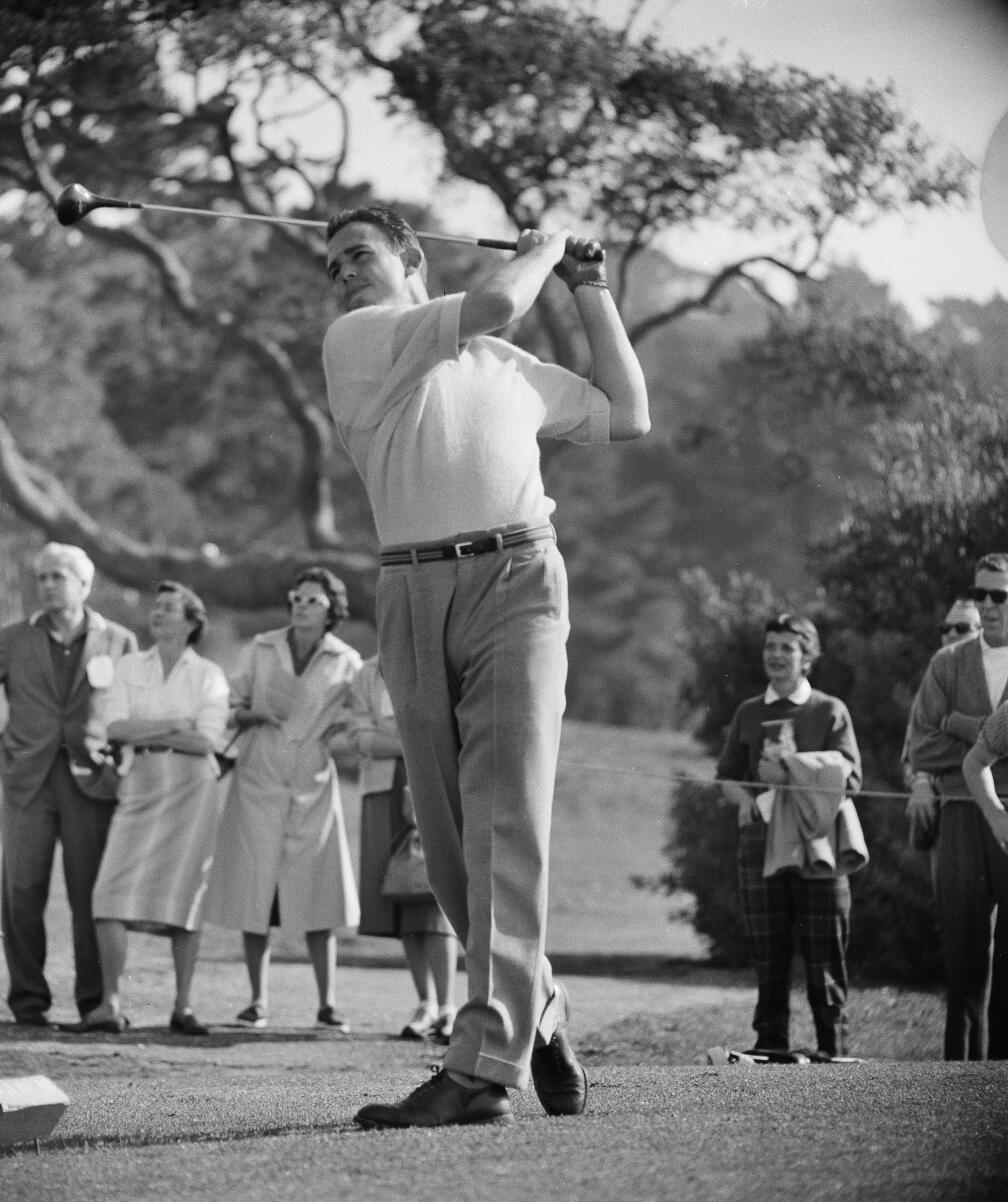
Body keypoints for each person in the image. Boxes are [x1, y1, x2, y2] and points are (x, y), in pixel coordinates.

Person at [322, 204, 648, 1127]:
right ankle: (537, 1001)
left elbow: (629, 412)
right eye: (332, 266)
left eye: (358, 254)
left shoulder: (506, 367)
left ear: (412, 259)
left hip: (519, 581)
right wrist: (546, 247)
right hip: (410, 591)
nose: (342, 274)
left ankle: (479, 1071)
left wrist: (590, 287)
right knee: (452, 849)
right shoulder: (359, 339)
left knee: (504, 822)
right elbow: (499, 300)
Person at [0, 543, 137, 1027]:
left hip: (92, 782)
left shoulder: (119, 640)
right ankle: (28, 1001)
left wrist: (121, 761)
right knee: (22, 892)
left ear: (85, 585)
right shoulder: (14, 639)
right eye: (42, 577)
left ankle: (95, 1003)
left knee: (91, 895)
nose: (48, 585)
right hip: (28, 781)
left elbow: (137, 706)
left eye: (58, 576)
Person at [203, 567, 361, 1033]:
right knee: (256, 894)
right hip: (258, 778)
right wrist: (252, 714)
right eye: (297, 597)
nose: (302, 606)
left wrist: (334, 736)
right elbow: (228, 705)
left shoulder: (346, 660)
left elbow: (359, 715)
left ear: (332, 609)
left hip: (312, 784)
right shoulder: (260, 648)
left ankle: (328, 1004)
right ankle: (257, 1001)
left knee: (318, 894)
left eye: (314, 600)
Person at [77, 582, 230, 1035]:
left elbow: (206, 740)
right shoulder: (129, 665)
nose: (157, 613)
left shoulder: (209, 675)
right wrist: (174, 725)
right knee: (108, 893)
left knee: (186, 898)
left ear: (192, 622)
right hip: (139, 784)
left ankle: (183, 1006)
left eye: (169, 608)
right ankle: (110, 1004)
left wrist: (151, 730)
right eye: (156, 606)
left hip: (193, 791)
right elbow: (115, 727)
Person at [716, 613, 862, 1062]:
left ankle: (832, 1047)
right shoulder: (748, 711)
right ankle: (770, 1046)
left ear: (807, 657)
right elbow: (727, 776)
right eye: (770, 647)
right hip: (761, 840)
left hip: (818, 840)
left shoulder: (829, 709)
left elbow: (851, 778)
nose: (776, 655)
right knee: (768, 947)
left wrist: (792, 769)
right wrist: (744, 799)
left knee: (825, 946)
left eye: (787, 648)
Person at [909, 553, 1008, 1059]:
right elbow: (920, 748)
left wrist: (960, 724)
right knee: (964, 959)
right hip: (961, 813)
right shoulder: (947, 663)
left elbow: (946, 736)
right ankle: (958, 1073)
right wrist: (989, 739)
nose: (987, 605)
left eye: (1000, 595)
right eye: (979, 594)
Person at [332, 654, 459, 1041]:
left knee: (435, 900)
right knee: (403, 892)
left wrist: (403, 748)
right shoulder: (368, 672)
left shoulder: (436, 661)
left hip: (434, 786)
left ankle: (449, 1006)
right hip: (382, 791)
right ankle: (425, 1003)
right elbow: (359, 735)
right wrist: (410, 746)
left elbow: (446, 727)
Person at [902, 597, 982, 851]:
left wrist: (953, 729)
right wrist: (921, 782)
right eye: (945, 628)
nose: (951, 634)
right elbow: (915, 750)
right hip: (948, 813)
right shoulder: (934, 681)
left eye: (962, 628)